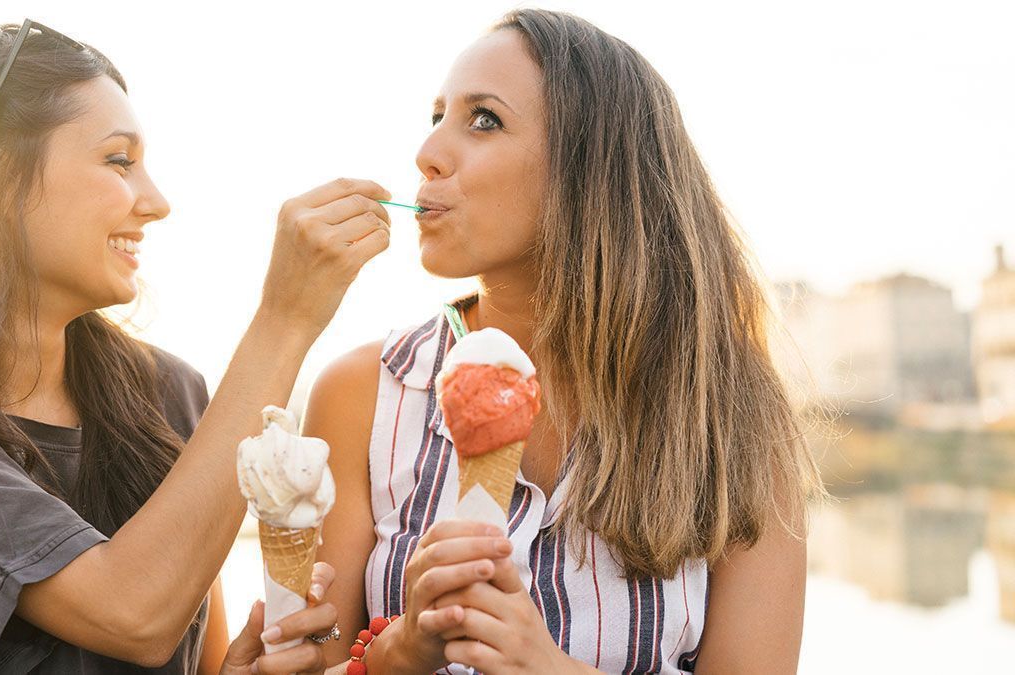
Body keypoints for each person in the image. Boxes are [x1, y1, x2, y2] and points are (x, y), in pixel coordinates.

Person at [0, 21, 392, 674]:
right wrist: (286, 317)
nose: (157, 203)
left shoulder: (170, 390)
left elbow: (195, 659)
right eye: (119, 160)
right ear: (1, 177)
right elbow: (133, 615)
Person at [306, 9, 825, 674]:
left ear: (588, 167)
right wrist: (397, 653)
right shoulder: (359, 395)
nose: (428, 151)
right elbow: (303, 660)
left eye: (483, 119)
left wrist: (544, 667)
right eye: (437, 116)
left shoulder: (732, 414)